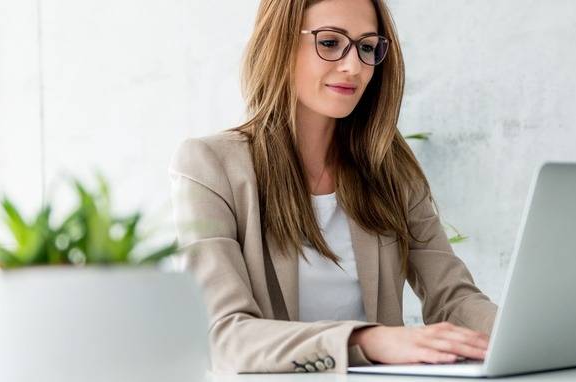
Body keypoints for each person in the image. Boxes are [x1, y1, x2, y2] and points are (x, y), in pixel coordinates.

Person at [169, 0, 497, 374]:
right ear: (279, 42)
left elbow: (452, 298)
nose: (353, 66)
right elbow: (223, 337)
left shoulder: (390, 169)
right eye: (329, 42)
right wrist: (365, 340)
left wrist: (519, 335)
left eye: (367, 47)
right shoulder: (210, 166)